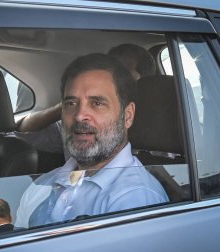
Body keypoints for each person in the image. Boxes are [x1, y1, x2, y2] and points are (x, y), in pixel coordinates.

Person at [15, 53, 168, 228]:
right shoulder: (44, 184)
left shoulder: (135, 199)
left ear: (127, 116)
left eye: (97, 103)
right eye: (71, 103)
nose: (79, 116)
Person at [15, 44, 156, 160]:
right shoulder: (79, 123)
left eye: (123, 74)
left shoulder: (160, 136)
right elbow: (25, 133)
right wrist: (69, 104)